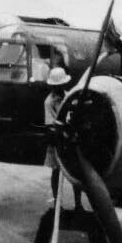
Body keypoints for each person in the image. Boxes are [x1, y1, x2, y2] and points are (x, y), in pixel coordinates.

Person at [44, 64, 73, 204]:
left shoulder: (69, 97)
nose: (58, 88)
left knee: (74, 172)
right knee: (56, 171)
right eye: (56, 86)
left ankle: (78, 203)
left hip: (69, 136)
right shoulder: (49, 102)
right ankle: (56, 201)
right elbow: (50, 124)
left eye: (60, 85)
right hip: (56, 138)